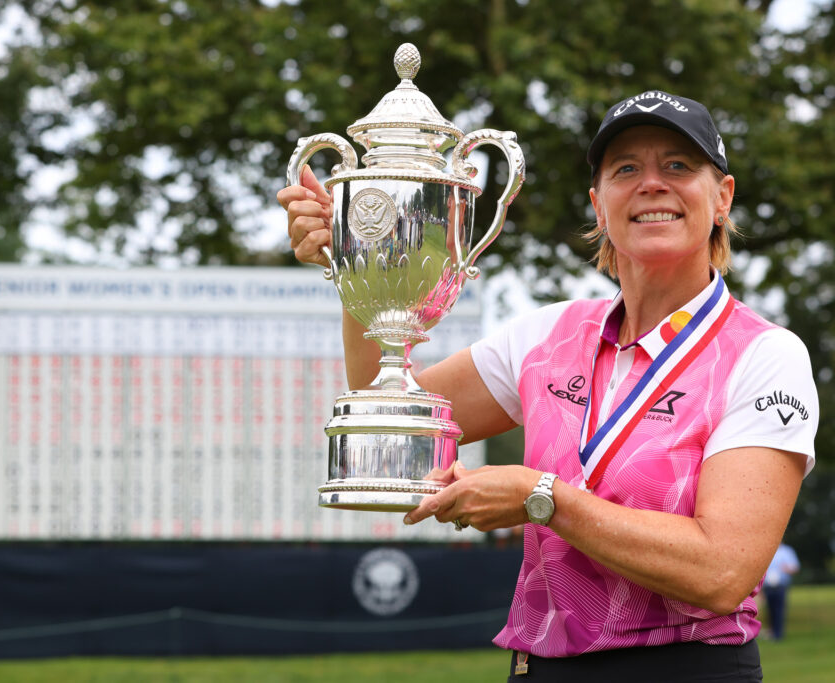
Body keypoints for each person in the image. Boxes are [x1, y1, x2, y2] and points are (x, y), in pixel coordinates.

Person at [279, 90, 818, 681]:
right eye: (626, 169)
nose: (652, 184)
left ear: (722, 197)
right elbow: (391, 403)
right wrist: (361, 255)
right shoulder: (549, 335)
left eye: (679, 166)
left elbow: (723, 572)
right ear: (599, 204)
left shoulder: (765, 355)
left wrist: (544, 499)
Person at [763, 542, 800, 640]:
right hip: (767, 586)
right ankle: (771, 632)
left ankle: (778, 634)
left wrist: (787, 569)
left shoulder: (787, 551)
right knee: (769, 610)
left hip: (781, 586)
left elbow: (795, 567)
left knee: (779, 610)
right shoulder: (767, 550)